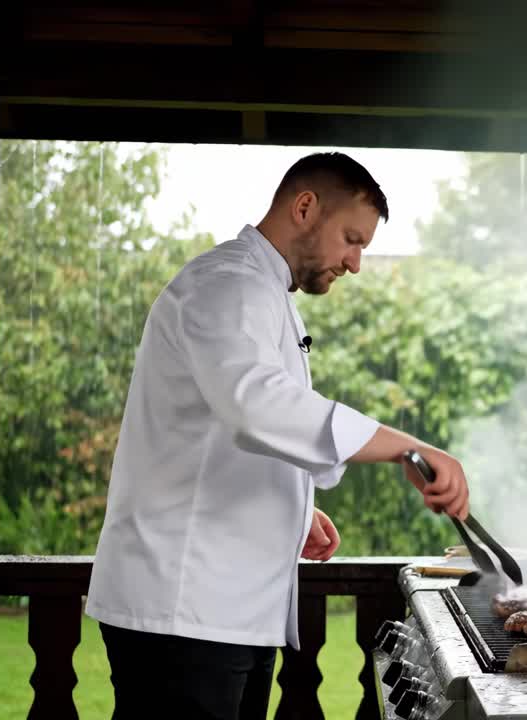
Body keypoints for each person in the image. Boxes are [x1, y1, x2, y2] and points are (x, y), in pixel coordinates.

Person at [84, 152, 470, 719]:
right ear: (305, 207)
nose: (356, 262)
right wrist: (407, 448)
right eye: (351, 239)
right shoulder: (227, 285)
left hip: (222, 614)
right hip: (183, 613)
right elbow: (256, 404)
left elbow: (225, 423)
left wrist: (291, 505)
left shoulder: (263, 291)